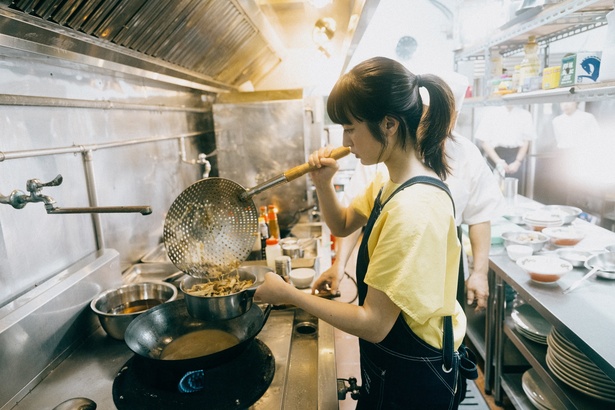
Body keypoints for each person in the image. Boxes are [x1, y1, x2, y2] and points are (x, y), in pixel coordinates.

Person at [255, 57, 470, 408]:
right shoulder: (391, 183)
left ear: (388, 124)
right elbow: (341, 224)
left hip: (415, 378)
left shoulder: (414, 208)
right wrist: (324, 183)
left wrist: (290, 295)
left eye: (351, 128)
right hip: (392, 364)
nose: (345, 140)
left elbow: (373, 323)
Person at [317, 74, 504, 313]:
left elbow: (479, 215)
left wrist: (479, 272)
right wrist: (339, 264)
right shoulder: (383, 161)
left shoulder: (464, 154)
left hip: (442, 266)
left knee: (437, 330)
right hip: (390, 260)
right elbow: (349, 220)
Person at [474, 105, 536, 192]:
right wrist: (498, 161)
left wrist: (517, 162)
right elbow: (483, 141)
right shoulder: (491, 113)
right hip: (495, 156)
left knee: (514, 190)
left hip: (515, 157)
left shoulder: (525, 114)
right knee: (492, 190)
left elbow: (526, 141)